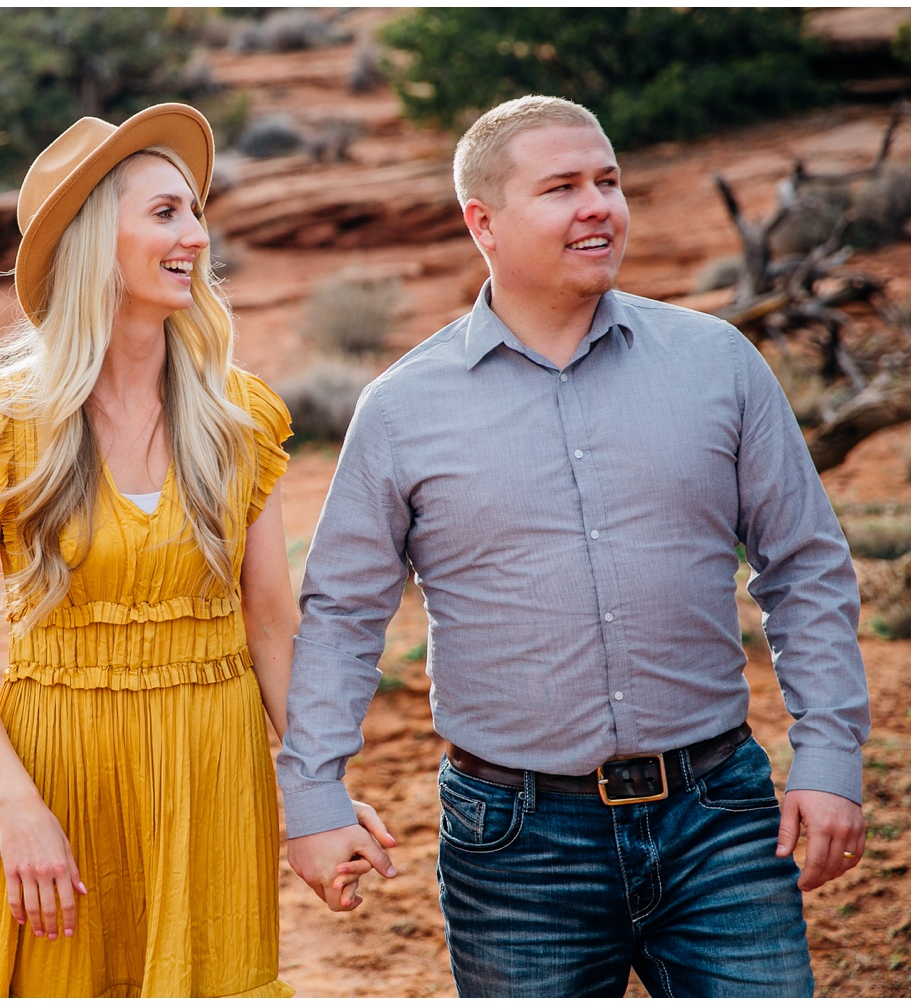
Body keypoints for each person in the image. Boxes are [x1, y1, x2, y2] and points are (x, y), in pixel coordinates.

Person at [276, 95, 871, 997]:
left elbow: (806, 564)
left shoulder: (718, 362)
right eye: (561, 187)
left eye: (608, 181)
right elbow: (342, 617)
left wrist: (830, 756)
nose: (598, 204)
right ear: (483, 222)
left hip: (722, 817)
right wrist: (313, 796)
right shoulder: (401, 410)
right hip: (515, 844)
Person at [0, 103, 305, 998]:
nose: (197, 236)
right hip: (62, 770)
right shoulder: (5, 423)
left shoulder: (239, 415)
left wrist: (319, 785)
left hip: (213, 770)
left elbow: (274, 620)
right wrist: (16, 804)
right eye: (167, 213)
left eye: (197, 212)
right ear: (100, 238)